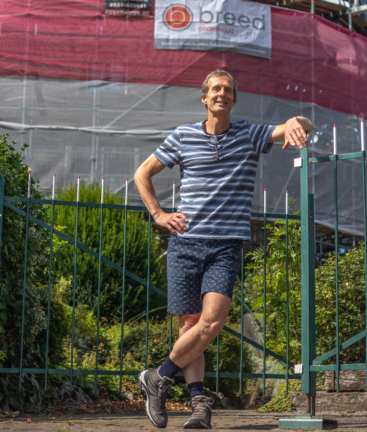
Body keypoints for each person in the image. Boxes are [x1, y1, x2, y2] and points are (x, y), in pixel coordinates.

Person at [133, 69, 313, 429]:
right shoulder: (183, 136)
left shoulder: (250, 134)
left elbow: (302, 127)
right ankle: (200, 404)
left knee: (212, 322)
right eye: (215, 89)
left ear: (233, 99)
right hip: (185, 243)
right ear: (204, 98)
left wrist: (297, 121)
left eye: (228, 89)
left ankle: (158, 377)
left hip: (225, 246)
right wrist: (158, 214)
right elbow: (143, 174)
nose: (221, 94)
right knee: (189, 326)